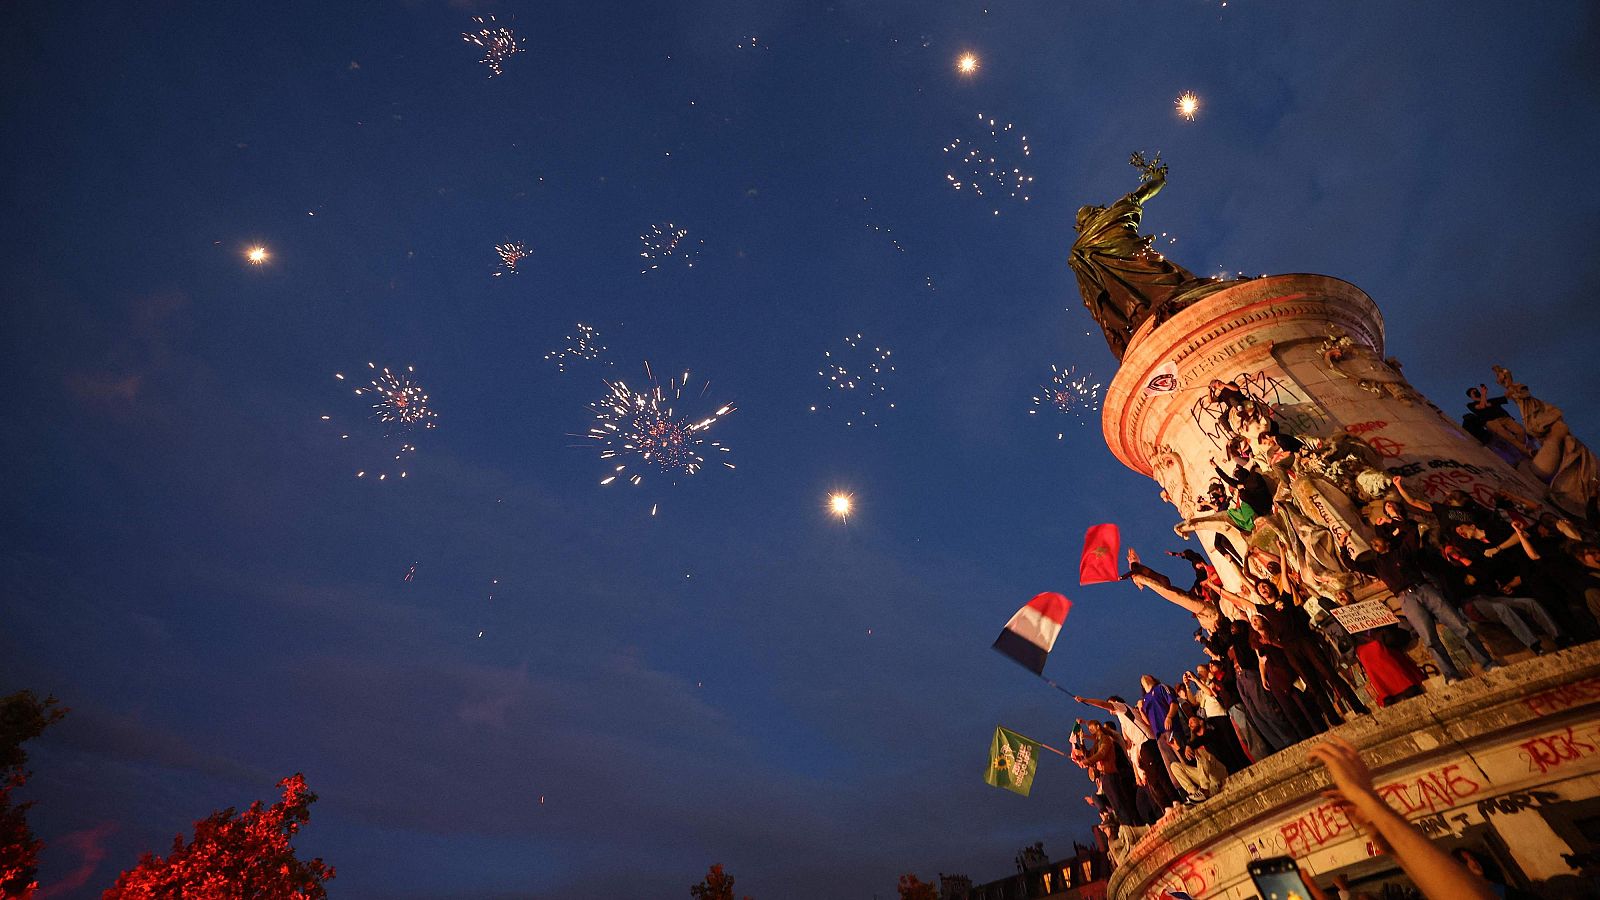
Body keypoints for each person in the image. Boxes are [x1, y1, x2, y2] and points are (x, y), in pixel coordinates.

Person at [1366, 534, 1499, 683]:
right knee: (1430, 639)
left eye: (1376, 539)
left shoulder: (1402, 552)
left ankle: (1488, 663)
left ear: (1387, 542)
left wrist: (1393, 521)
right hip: (1406, 599)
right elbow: (1352, 564)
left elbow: (1411, 532)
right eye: (1372, 543)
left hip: (1423, 588)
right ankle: (1452, 675)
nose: (1373, 542)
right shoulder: (1376, 564)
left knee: (1460, 626)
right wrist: (1344, 547)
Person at [1449, 848, 1539, 899]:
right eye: (1466, 861)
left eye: (1472, 858)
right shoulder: (1473, 894)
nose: (1473, 862)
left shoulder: (1495, 882)